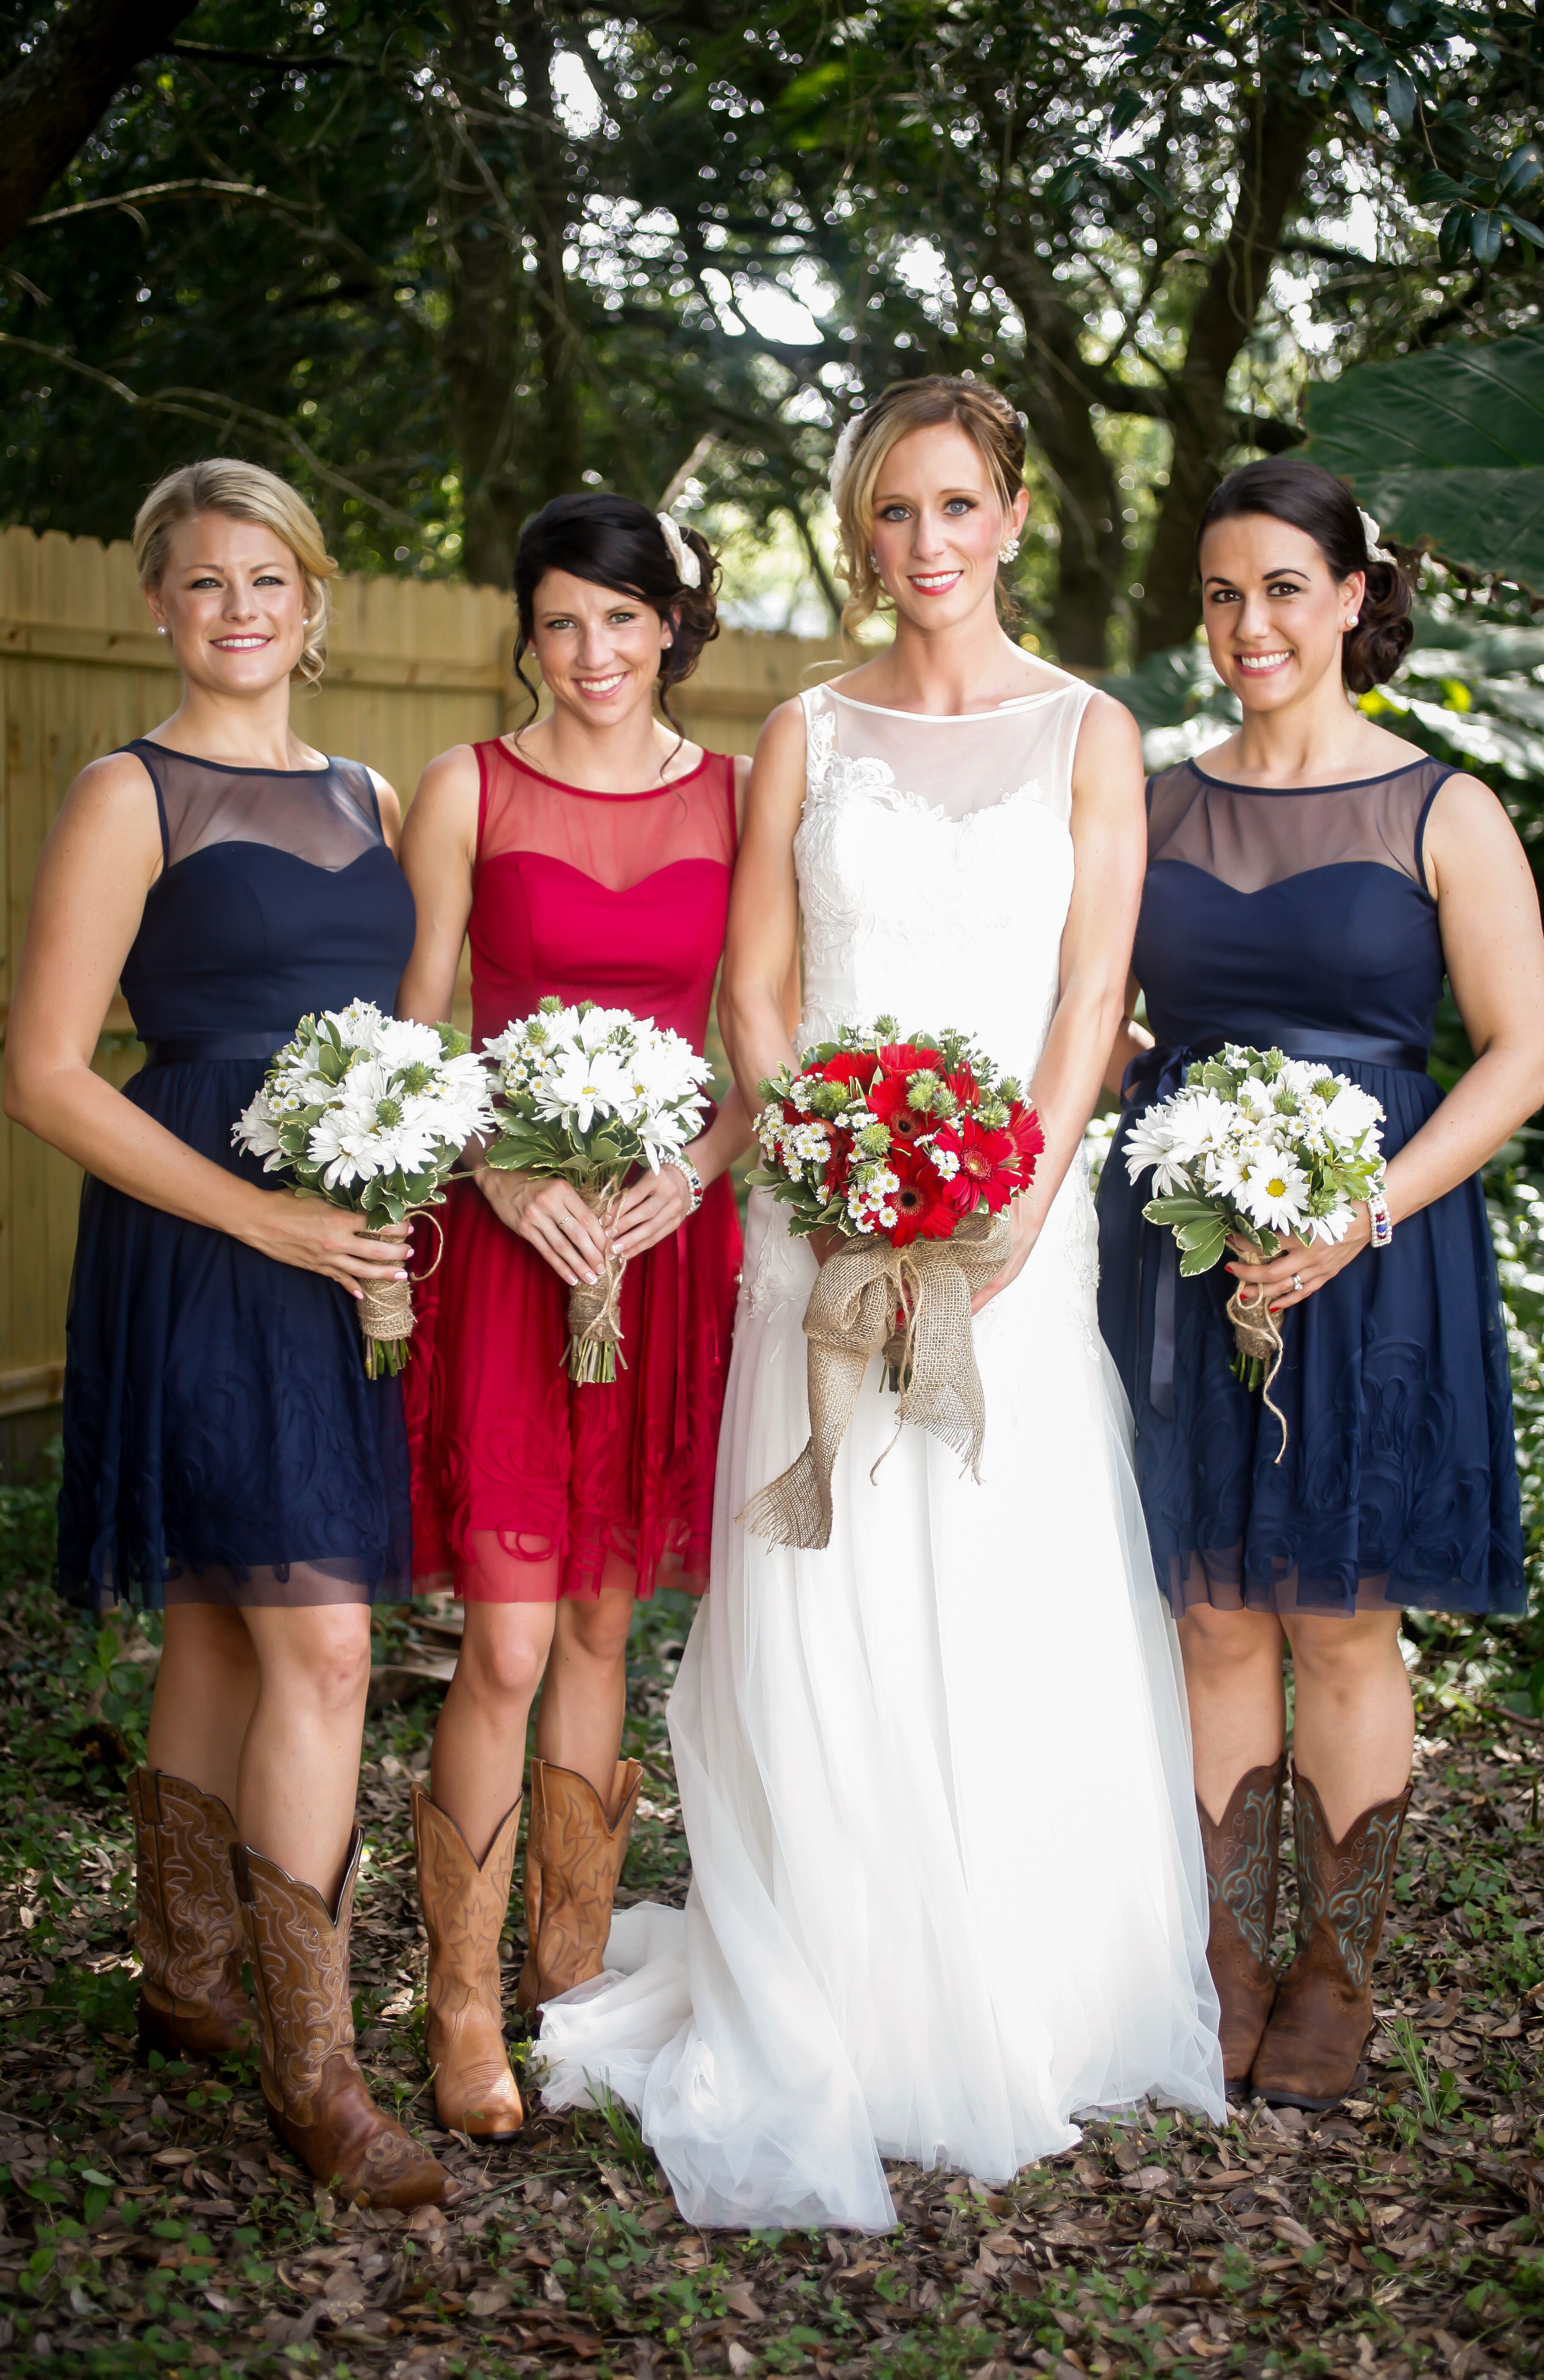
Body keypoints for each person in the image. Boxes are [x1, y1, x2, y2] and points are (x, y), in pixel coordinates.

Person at [533, 377, 1224, 2230]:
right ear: (867, 538)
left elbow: (1092, 994)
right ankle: (834, 1973)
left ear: (1010, 518)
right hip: (816, 1214)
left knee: (1000, 1566)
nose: (924, 545)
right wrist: (830, 1168)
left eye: (953, 508)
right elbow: (754, 992)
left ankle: (1019, 1980)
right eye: (891, 516)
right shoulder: (804, 734)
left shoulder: (1094, 732)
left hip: (1011, 1216)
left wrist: (1013, 1192)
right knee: (824, 1578)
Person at [3, 461, 458, 2208]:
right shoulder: (132, 793)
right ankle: (317, 2073)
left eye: (265, 578)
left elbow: (398, 1031)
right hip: (205, 1234)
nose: (239, 608)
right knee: (323, 1643)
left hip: (340, 1241)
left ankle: (186, 1976)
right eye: (203, 583)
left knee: (224, 1615)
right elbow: (45, 1071)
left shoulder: (364, 786)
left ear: (312, 594)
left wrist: (393, 1189)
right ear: (157, 605)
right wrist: (268, 1215)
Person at [1096, 458, 1544, 2111]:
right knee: (1214, 1603)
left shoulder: (1443, 809)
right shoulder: (1154, 807)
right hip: (1187, 1257)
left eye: (1283, 589)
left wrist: (1363, 1207)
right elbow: (1110, 1026)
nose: (1249, 625)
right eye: (1222, 594)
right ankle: (1223, 1958)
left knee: (1343, 1613)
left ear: (1355, 597)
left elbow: (1524, 1057)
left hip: (1377, 1249)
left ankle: (1335, 1975)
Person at [398, 494, 756, 2143]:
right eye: (562, 624)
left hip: (665, 1252)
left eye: (622, 620)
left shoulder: (742, 801)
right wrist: (495, 1173)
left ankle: (566, 1973)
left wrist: (693, 1173)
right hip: (513, 1254)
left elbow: (767, 1059)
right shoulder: (469, 788)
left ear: (669, 623)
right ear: (527, 636)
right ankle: (462, 2002)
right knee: (513, 1633)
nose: (595, 654)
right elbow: (418, 1043)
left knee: (610, 1624)